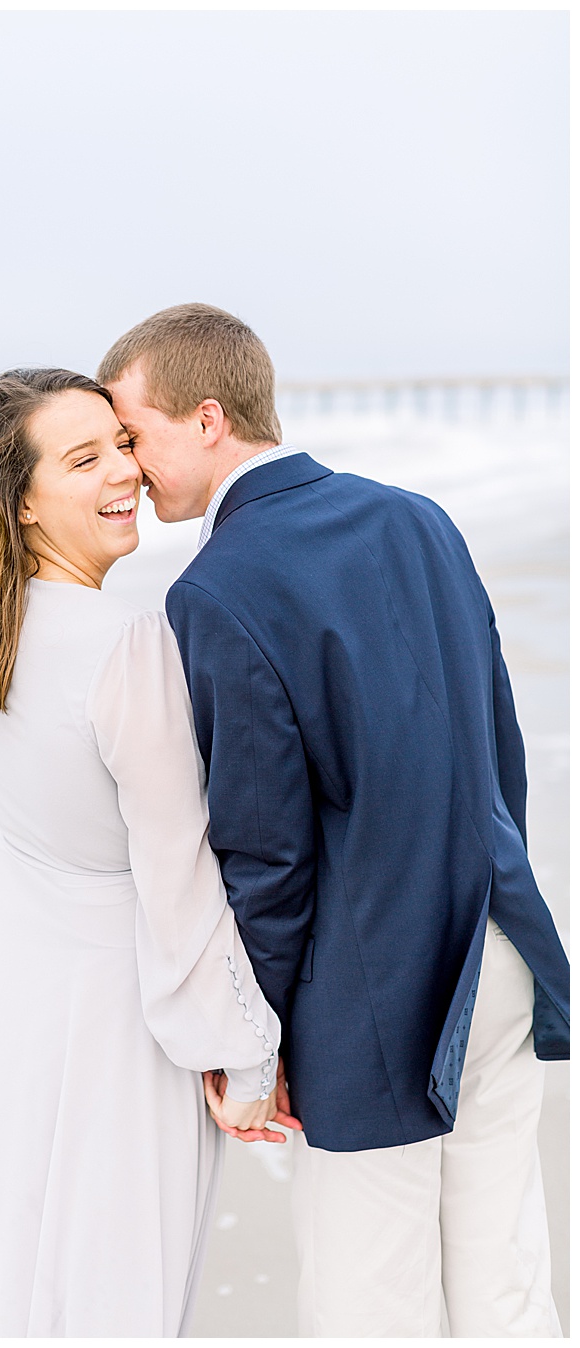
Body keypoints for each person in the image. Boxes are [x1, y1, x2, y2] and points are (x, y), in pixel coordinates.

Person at [99, 303, 569, 1336]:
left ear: (209, 417)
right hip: (498, 947)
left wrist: (249, 1046)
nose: (129, 467)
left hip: (375, 1001)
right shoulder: (420, 518)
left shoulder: (216, 590)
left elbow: (266, 852)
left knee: (371, 1308)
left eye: (137, 434)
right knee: (509, 1285)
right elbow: (501, 748)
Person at [0, 368, 293, 1337]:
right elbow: (177, 877)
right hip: (115, 1017)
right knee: (110, 1283)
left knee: (4, 1260)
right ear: (21, 502)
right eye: (85, 457)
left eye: (122, 443)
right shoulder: (126, 643)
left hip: (0, 990)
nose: (127, 473)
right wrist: (246, 1055)